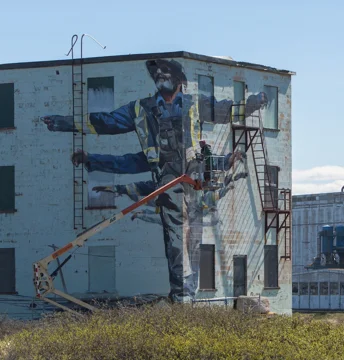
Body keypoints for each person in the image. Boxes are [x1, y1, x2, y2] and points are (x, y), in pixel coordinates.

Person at [41, 59, 267, 301]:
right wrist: (66, 126)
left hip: (192, 183)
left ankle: (186, 298)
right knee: (176, 241)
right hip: (167, 182)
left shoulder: (194, 105)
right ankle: (181, 298)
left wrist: (254, 104)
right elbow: (106, 123)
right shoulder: (141, 108)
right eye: (155, 72)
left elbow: (227, 111)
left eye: (165, 71)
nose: (159, 75)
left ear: (180, 80)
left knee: (192, 243)